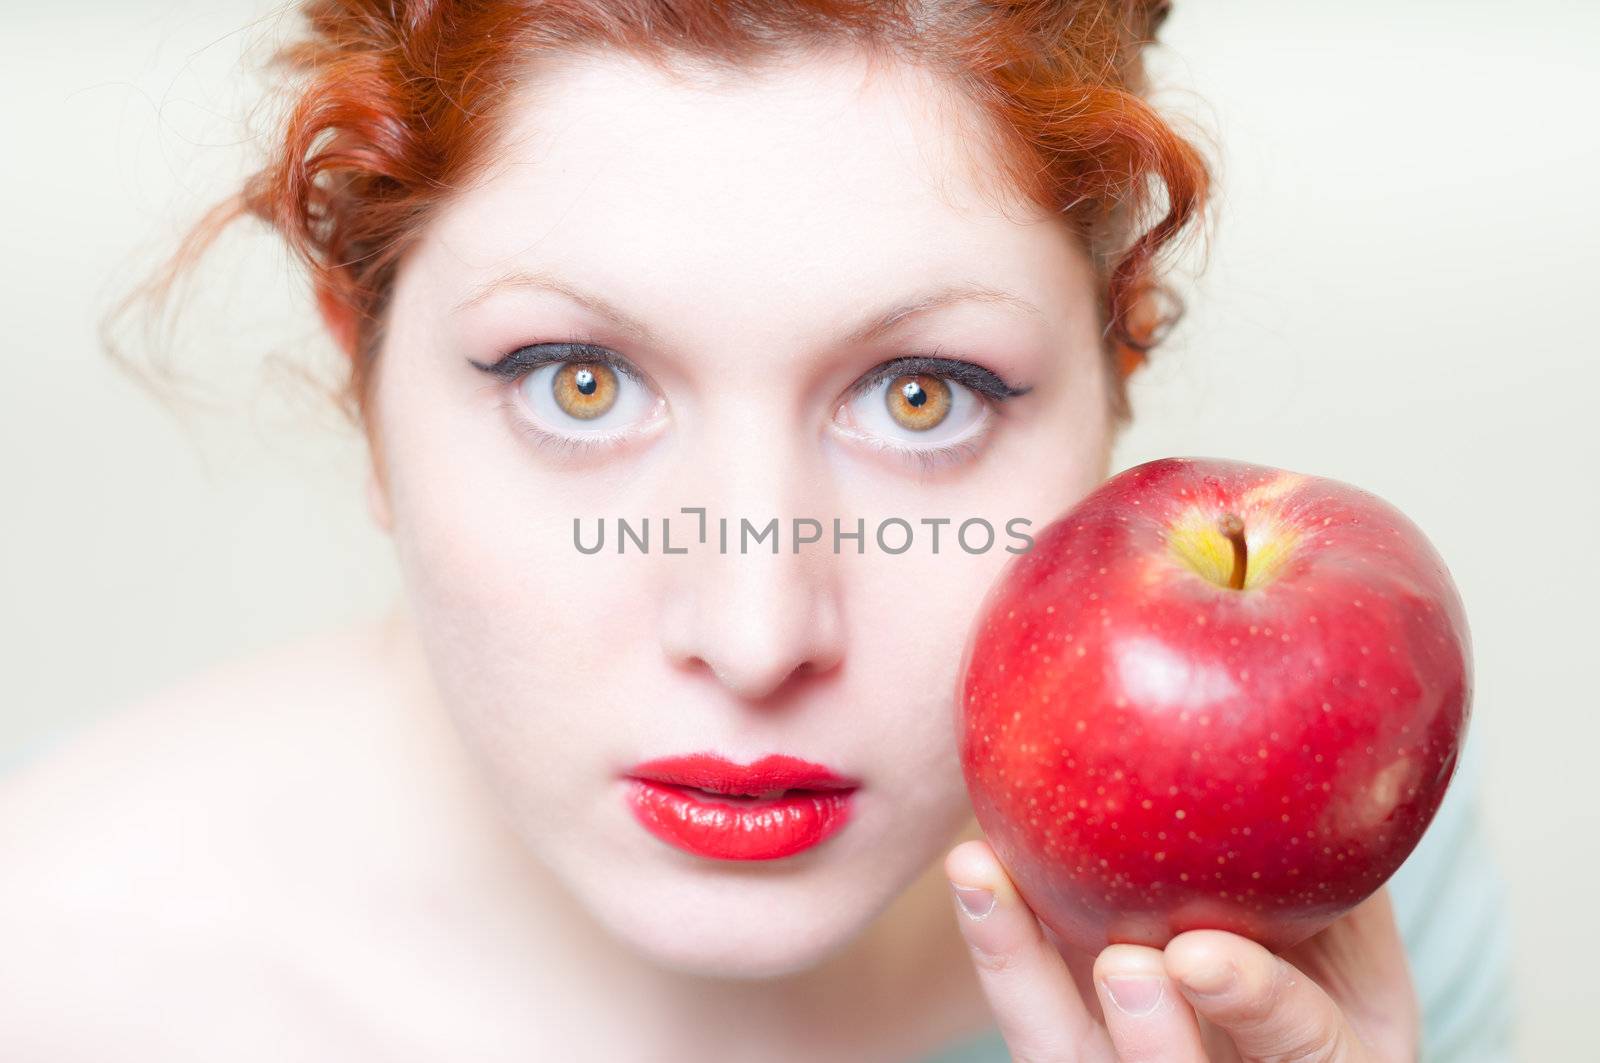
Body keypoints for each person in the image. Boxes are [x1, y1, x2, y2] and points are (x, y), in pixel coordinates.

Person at [0, 1, 1513, 1059]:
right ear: (360, 378)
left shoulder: (1283, 900)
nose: (755, 630)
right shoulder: (60, 995)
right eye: (577, 385)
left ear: (1117, 396)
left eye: (921, 398)